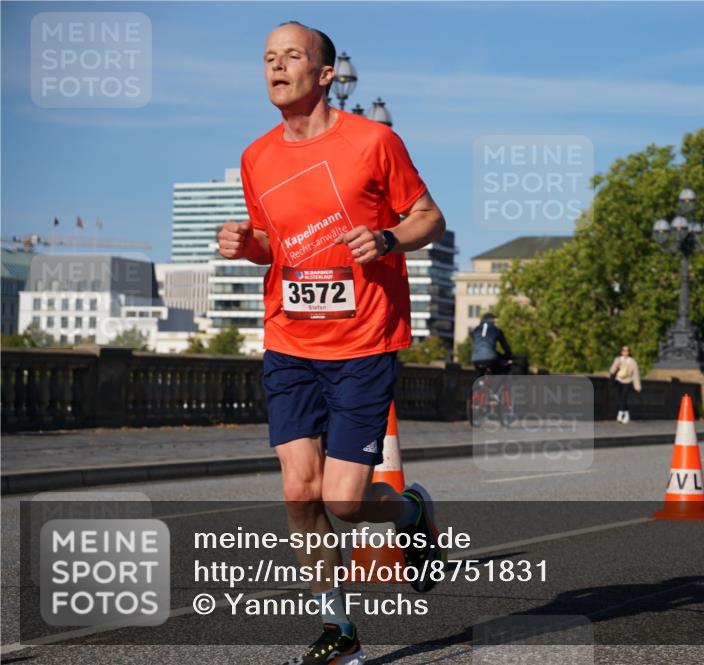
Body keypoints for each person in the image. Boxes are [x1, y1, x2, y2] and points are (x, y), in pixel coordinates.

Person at [216, 21, 446, 665]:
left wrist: (388, 238)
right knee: (299, 491)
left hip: (362, 343)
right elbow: (274, 245)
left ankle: (410, 513)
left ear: (324, 75)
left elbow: (429, 217)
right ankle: (338, 629)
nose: (276, 66)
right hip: (290, 342)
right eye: (268, 57)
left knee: (343, 501)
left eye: (292, 56)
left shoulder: (374, 141)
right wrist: (246, 245)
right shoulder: (256, 157)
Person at [470, 312, 512, 377]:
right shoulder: (496, 330)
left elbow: (477, 342)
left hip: (476, 358)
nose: (495, 321)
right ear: (491, 320)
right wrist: (508, 355)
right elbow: (505, 345)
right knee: (502, 370)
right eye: (494, 319)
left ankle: (479, 382)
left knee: (479, 376)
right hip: (491, 358)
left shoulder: (475, 330)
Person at [609, 345, 641, 424]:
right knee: (620, 398)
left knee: (624, 397)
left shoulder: (632, 362)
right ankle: (626, 415)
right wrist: (616, 366)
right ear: (621, 352)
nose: (625, 352)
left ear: (629, 352)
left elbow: (636, 374)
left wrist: (637, 386)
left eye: (627, 351)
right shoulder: (618, 359)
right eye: (623, 350)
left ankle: (620, 414)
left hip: (628, 381)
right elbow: (612, 371)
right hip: (618, 380)